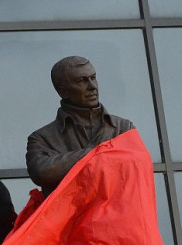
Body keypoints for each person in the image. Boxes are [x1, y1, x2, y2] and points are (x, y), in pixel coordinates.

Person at [26, 56, 134, 195]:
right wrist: (98, 152)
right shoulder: (42, 138)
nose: (92, 86)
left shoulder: (123, 128)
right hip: (70, 216)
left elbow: (134, 170)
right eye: (82, 81)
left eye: (93, 78)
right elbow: (41, 172)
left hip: (116, 214)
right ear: (63, 91)